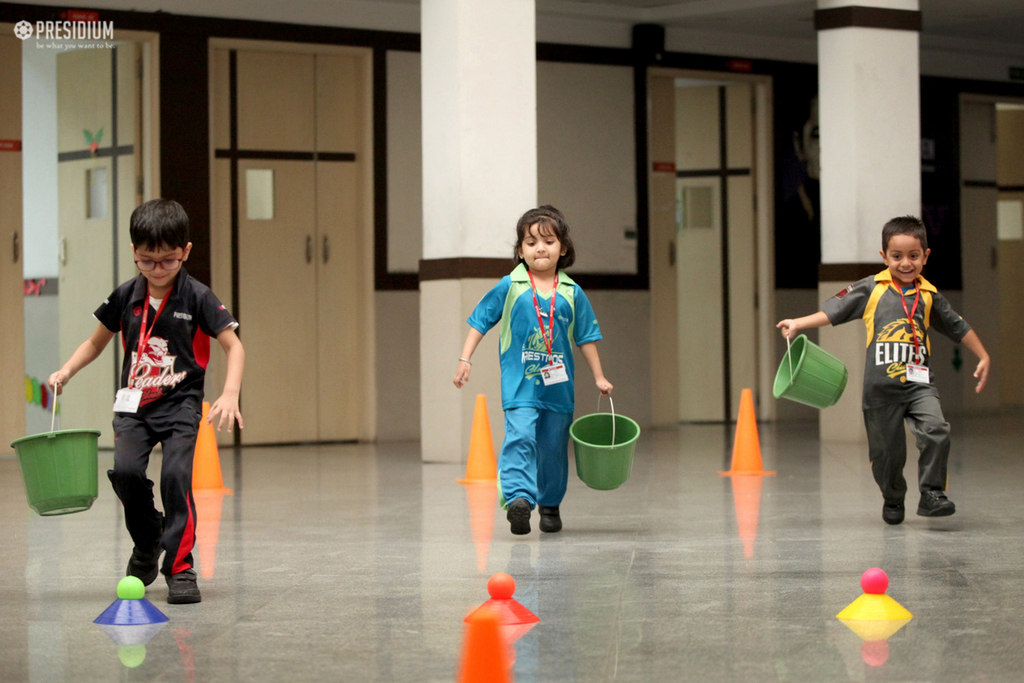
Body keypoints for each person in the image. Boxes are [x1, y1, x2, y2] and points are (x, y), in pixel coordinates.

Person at [50, 199, 245, 603]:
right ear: (134, 254)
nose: (158, 270)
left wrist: (230, 392)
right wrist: (66, 371)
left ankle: (180, 567)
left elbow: (234, 346)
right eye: (147, 261)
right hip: (133, 407)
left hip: (181, 405)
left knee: (176, 478)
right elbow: (94, 343)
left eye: (168, 261)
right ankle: (148, 539)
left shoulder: (198, 297)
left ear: (185, 252)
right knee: (125, 474)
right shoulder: (125, 296)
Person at [776, 215, 990, 525]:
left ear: (926, 256)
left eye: (914, 256)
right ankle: (893, 496)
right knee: (886, 456)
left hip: (920, 385)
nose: (906, 263)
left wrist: (982, 355)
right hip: (880, 390)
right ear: (884, 257)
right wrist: (798, 323)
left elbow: (959, 328)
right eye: (897, 256)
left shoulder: (929, 296)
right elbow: (833, 312)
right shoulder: (871, 289)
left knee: (937, 430)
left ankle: (932, 494)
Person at [453, 206, 613, 535]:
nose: (539, 248)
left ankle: (550, 503)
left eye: (548, 240)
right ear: (520, 251)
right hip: (519, 385)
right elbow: (479, 320)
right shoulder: (510, 286)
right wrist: (464, 358)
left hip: (558, 388)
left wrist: (599, 376)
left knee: (553, 448)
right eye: (530, 242)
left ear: (563, 248)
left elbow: (586, 337)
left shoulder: (571, 293)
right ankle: (519, 500)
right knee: (520, 437)